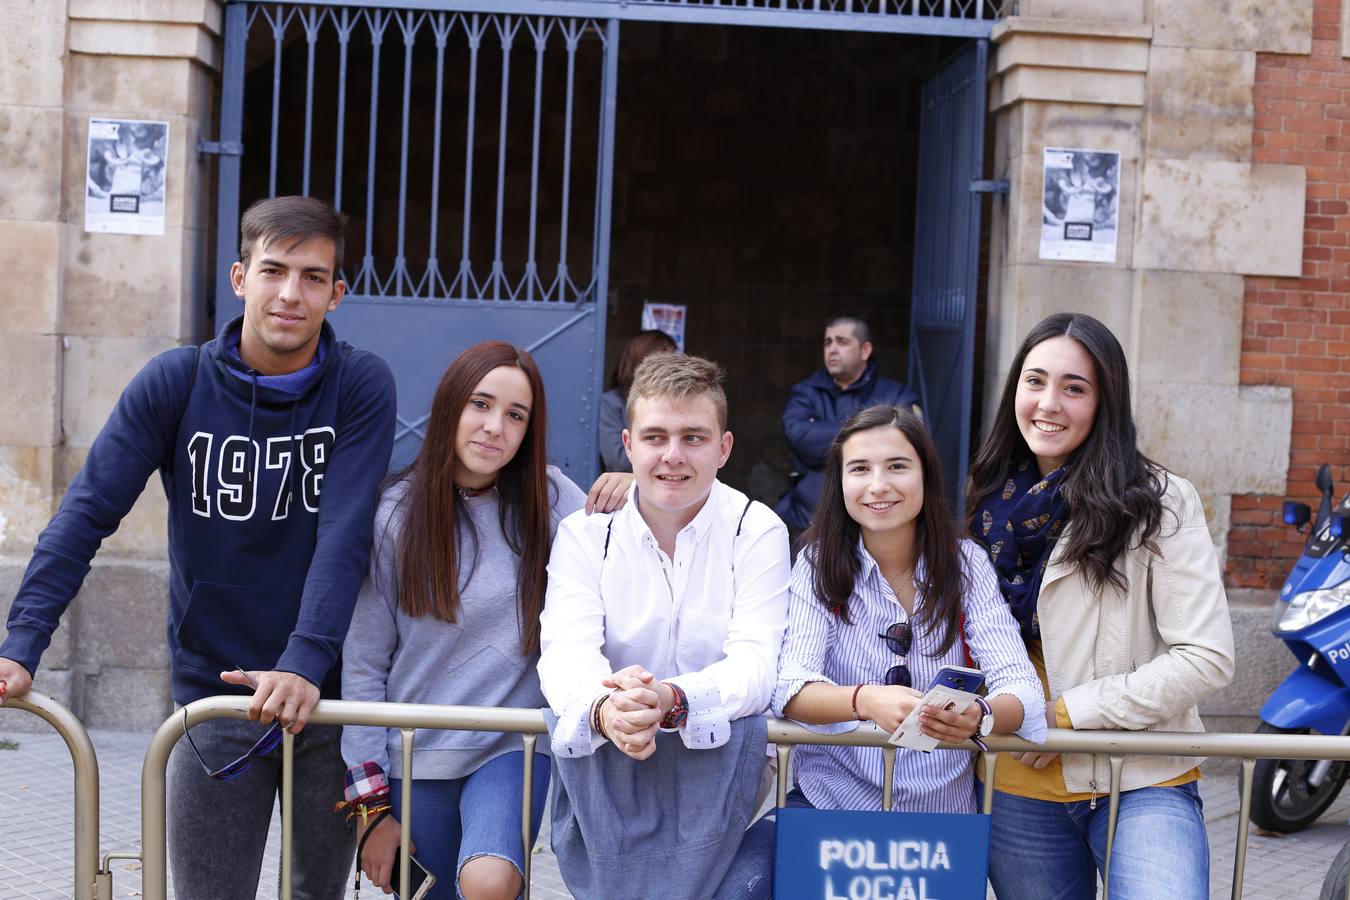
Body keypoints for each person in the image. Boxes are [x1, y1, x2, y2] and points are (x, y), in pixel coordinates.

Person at [0, 196, 397, 898]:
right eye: (274, 270)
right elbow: (85, 514)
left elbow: (345, 533)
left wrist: (305, 664)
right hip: (217, 700)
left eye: (312, 277)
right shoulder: (175, 383)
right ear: (240, 278)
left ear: (337, 294)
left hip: (326, 701)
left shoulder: (359, 386)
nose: (289, 293)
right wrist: (20, 644)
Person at [342, 341, 628, 900]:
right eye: (481, 404)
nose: (495, 426)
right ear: (451, 404)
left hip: (512, 744)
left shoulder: (548, 499)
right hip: (414, 753)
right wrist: (370, 809)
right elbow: (363, 666)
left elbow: (637, 541)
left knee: (491, 882)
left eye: (515, 415)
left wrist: (638, 486)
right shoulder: (394, 515)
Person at [965, 312, 1235, 900]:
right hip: (1016, 788)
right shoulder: (983, 504)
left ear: (1105, 400)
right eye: (1035, 381)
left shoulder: (1157, 504)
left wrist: (1063, 717)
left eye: (1074, 388)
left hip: (1140, 777)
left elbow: (1206, 657)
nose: (1048, 403)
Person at [537, 352, 789, 900]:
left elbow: (756, 663)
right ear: (627, 445)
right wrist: (608, 709)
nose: (673, 456)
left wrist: (671, 699)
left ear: (724, 447)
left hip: (720, 776)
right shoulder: (585, 535)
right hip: (609, 763)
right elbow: (564, 652)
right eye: (655, 437)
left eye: (694, 438)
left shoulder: (758, 530)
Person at [773, 404, 1045, 816]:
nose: (879, 486)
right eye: (860, 469)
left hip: (941, 820)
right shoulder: (817, 563)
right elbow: (791, 686)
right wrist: (865, 701)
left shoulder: (965, 564)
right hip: (831, 806)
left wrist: (980, 716)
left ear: (925, 475)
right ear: (840, 481)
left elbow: (1022, 687)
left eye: (897, 466)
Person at [776, 315, 920, 544]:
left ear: (865, 350)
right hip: (808, 519)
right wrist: (876, 430)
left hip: (877, 524)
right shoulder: (805, 393)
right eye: (828, 342)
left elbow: (913, 445)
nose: (832, 349)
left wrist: (823, 431)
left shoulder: (897, 395)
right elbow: (798, 437)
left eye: (842, 342)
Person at [597, 329, 677, 472]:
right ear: (642, 361)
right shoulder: (612, 403)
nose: (672, 370)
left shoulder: (675, 402)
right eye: (666, 362)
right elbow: (618, 461)